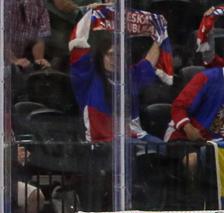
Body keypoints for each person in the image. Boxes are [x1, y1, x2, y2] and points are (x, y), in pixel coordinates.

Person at [68, 10, 162, 142]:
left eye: (119, 55)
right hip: (103, 142)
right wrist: (91, 14)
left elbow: (149, 63)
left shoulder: (128, 76)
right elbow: (78, 44)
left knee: (160, 145)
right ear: (101, 56)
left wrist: (159, 37)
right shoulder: (88, 78)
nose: (114, 59)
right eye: (111, 54)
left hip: (131, 135)